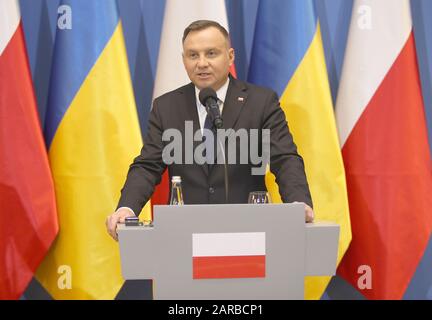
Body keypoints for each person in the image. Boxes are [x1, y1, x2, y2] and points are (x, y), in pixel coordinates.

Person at [106, 20, 314, 241]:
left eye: (211, 53)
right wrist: (127, 208)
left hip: (248, 235)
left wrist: (297, 202)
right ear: (183, 60)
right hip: (183, 236)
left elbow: (284, 158)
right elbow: (148, 166)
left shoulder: (260, 102)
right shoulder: (166, 106)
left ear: (230, 56)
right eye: (193, 55)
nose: (202, 63)